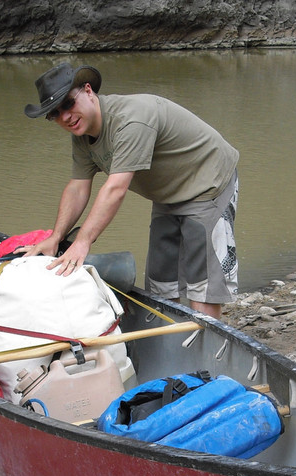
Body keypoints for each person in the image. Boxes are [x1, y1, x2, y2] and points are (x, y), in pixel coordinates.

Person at [21, 62, 240, 319]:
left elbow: (115, 189)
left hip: (209, 182)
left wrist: (82, 242)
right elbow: (78, 187)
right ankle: (170, 336)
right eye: (55, 114)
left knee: (202, 284)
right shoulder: (82, 135)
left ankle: (207, 339)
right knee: (161, 281)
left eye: (68, 104)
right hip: (167, 193)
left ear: (88, 91)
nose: (65, 117)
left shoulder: (130, 120)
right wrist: (55, 237)